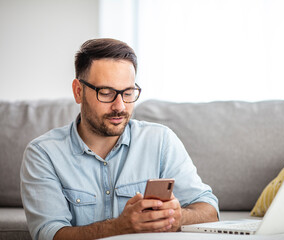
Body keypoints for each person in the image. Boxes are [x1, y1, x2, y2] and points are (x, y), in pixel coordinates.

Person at [20, 38, 219, 240]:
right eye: (106, 93)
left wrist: (179, 217)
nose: (120, 106)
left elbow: (209, 210)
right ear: (78, 91)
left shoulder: (160, 140)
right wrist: (119, 227)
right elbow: (49, 234)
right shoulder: (43, 153)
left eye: (128, 92)